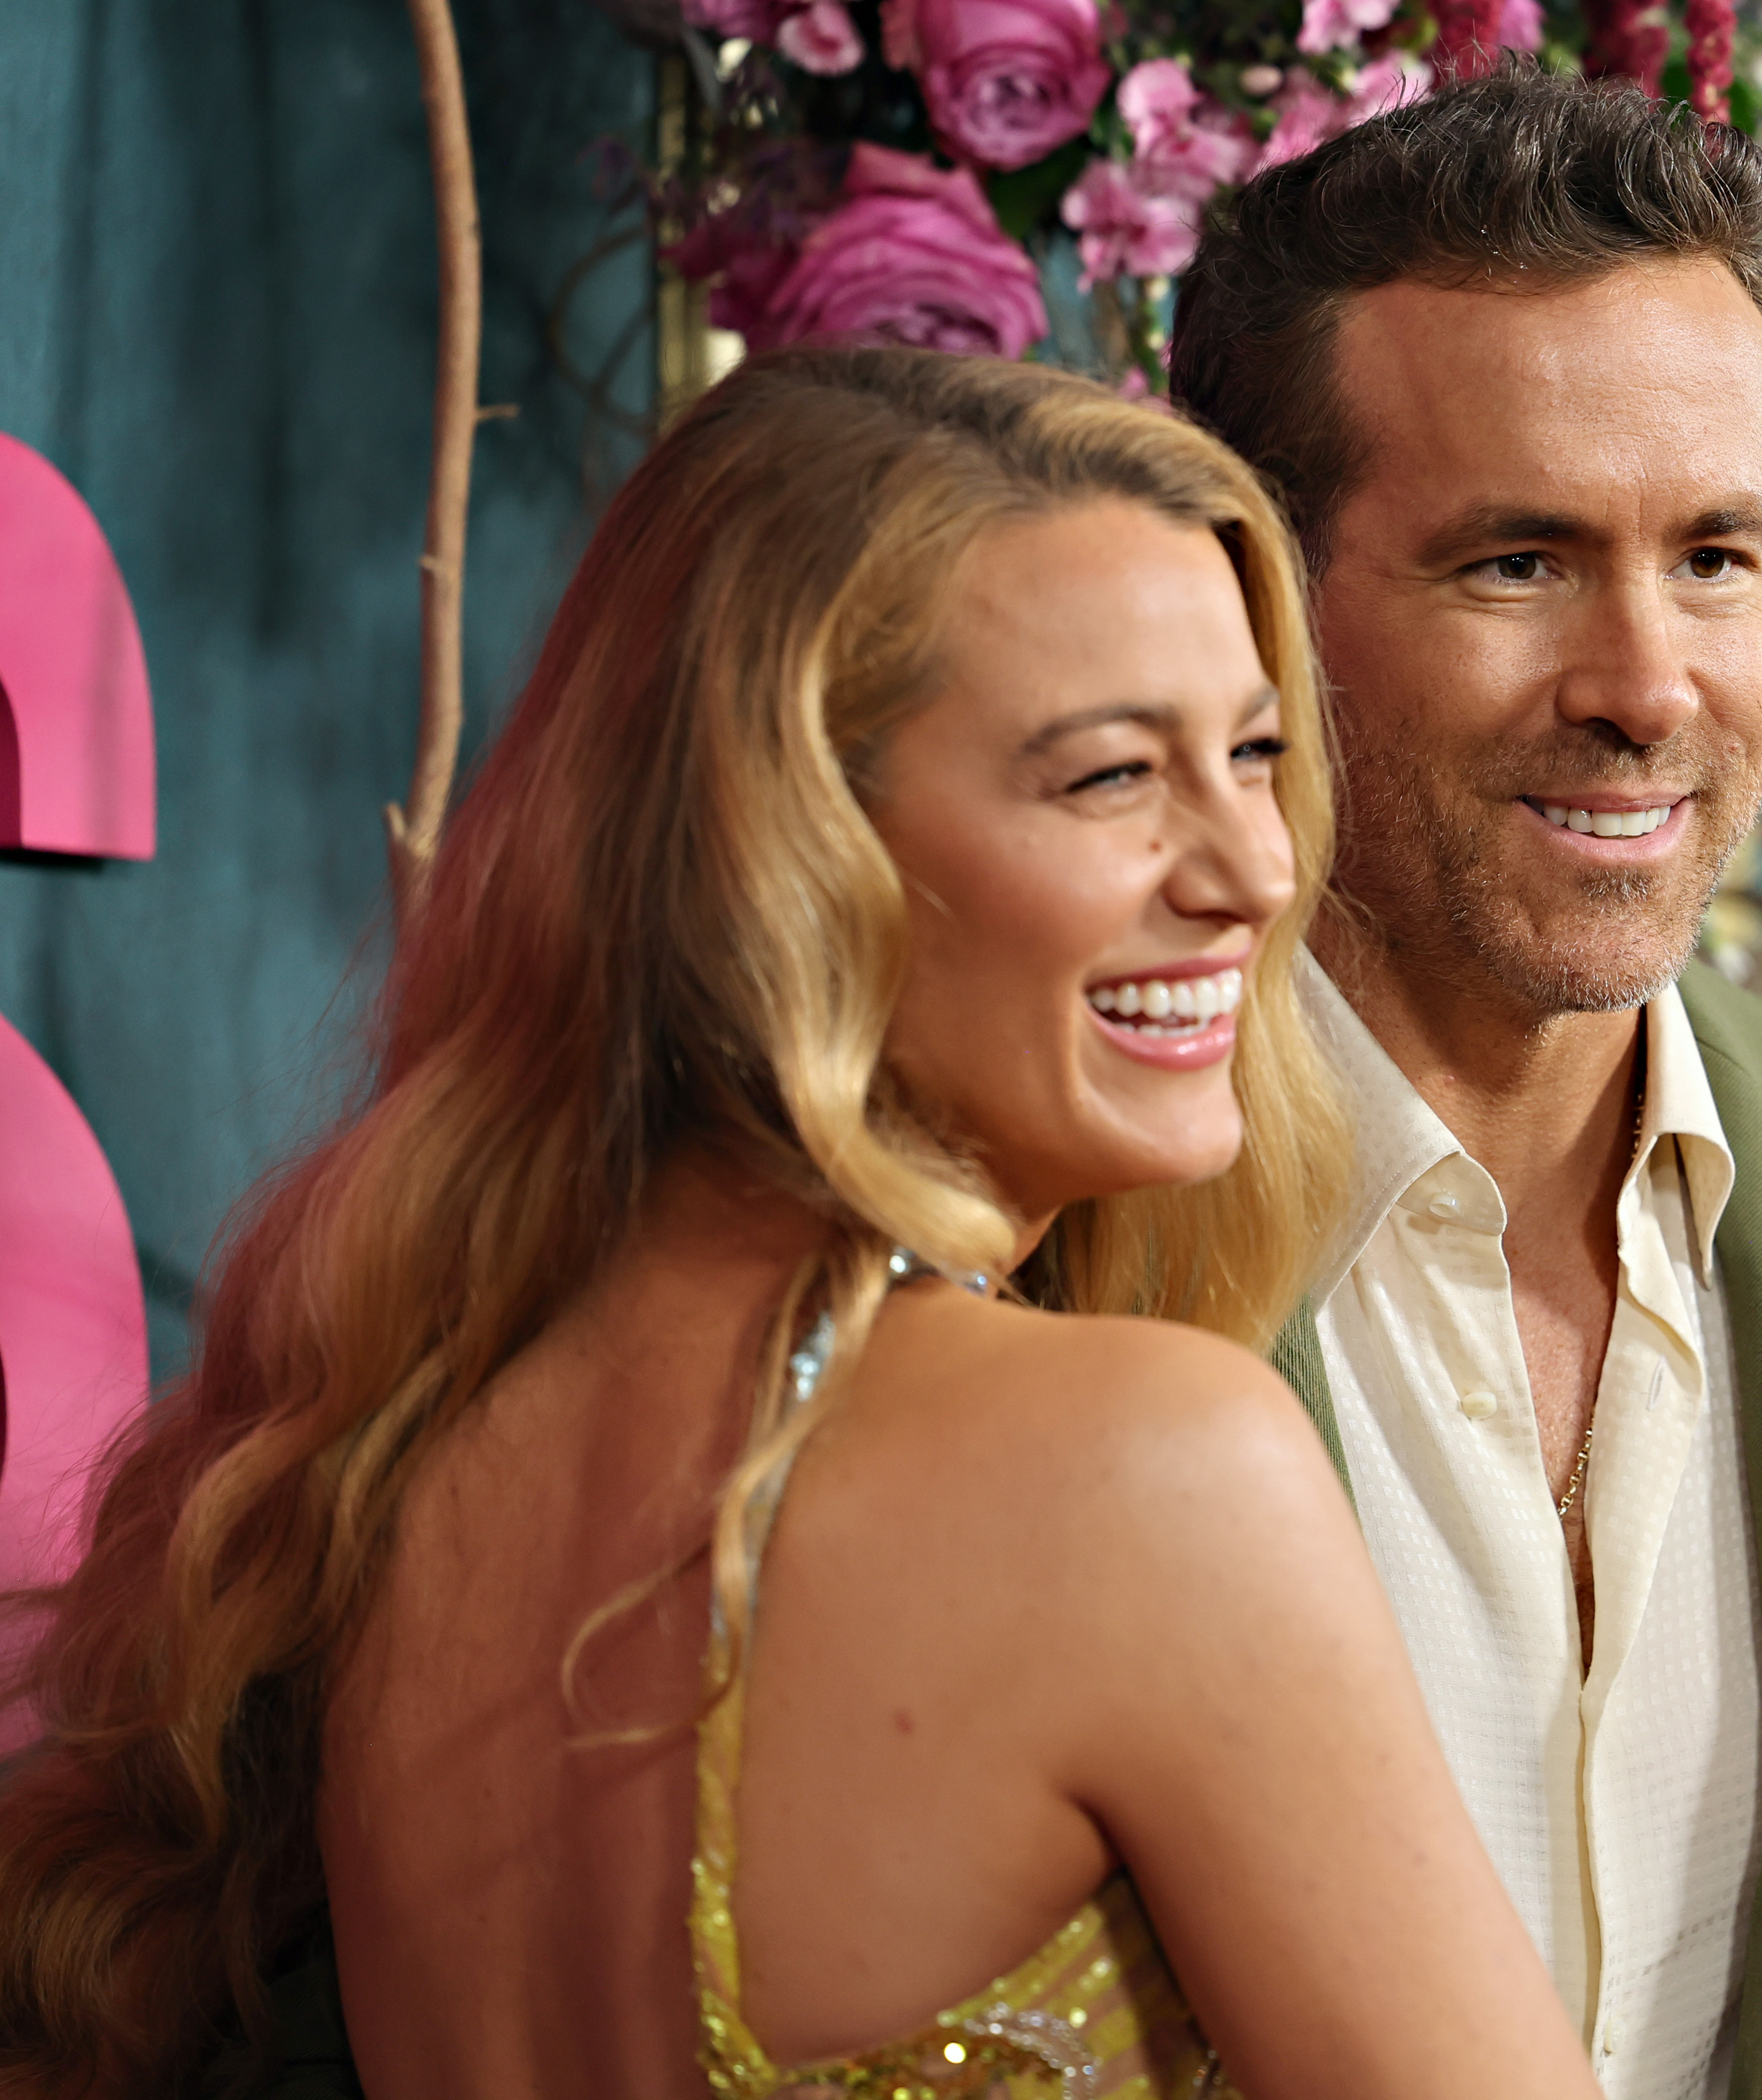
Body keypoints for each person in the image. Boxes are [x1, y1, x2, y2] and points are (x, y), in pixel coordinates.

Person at [0, 349, 1601, 2098]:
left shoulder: (386, 1469)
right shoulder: (1147, 1469)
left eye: (1253, 755)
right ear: (789, 850)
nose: (1255, 869)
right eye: (1111, 780)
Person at [1166, 71, 1762, 2098]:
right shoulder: (1029, 1226)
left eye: (1716, 556)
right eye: (1517, 562)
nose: (1646, 687)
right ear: (1259, 591)